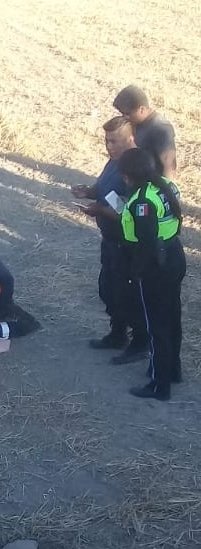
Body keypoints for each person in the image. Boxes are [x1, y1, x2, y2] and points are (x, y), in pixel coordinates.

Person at [71, 117, 149, 364]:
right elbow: (104, 189)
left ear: (131, 139)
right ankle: (117, 334)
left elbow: (132, 212)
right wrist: (88, 192)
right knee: (109, 290)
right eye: (106, 140)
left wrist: (101, 210)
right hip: (110, 241)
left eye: (114, 141)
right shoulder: (113, 163)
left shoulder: (137, 168)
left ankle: (139, 343)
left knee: (129, 294)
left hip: (127, 245)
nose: (109, 146)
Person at [118, 148, 185, 401]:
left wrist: (135, 273)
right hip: (173, 254)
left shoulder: (142, 201)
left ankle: (159, 385)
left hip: (156, 265)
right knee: (172, 318)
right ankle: (173, 371)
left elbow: (145, 243)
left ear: (127, 176)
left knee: (157, 325)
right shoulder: (165, 185)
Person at [113, 85, 176, 178]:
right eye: (122, 114)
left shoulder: (161, 129)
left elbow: (169, 166)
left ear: (141, 109)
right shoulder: (136, 123)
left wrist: (164, 190)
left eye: (128, 114)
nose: (124, 118)